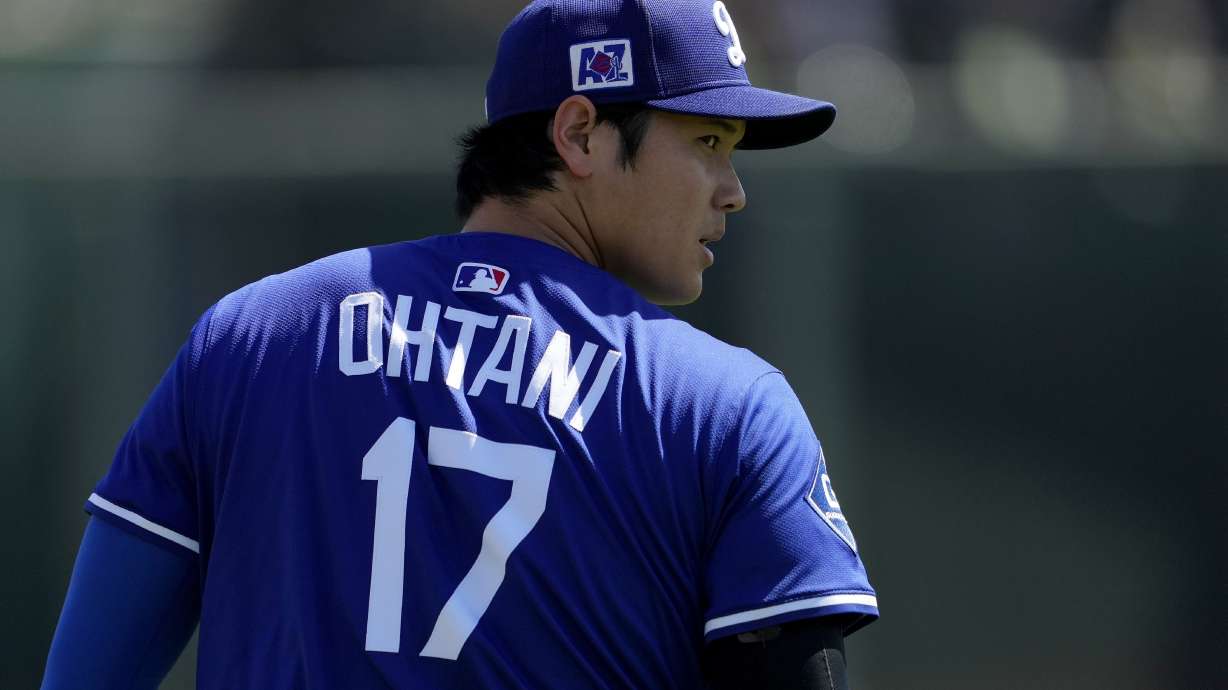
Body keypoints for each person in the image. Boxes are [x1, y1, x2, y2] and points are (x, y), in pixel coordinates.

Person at [42, 1, 878, 688]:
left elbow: (86, 671)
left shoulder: (253, 333)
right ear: (580, 132)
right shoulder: (721, 406)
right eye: (708, 143)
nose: (732, 191)